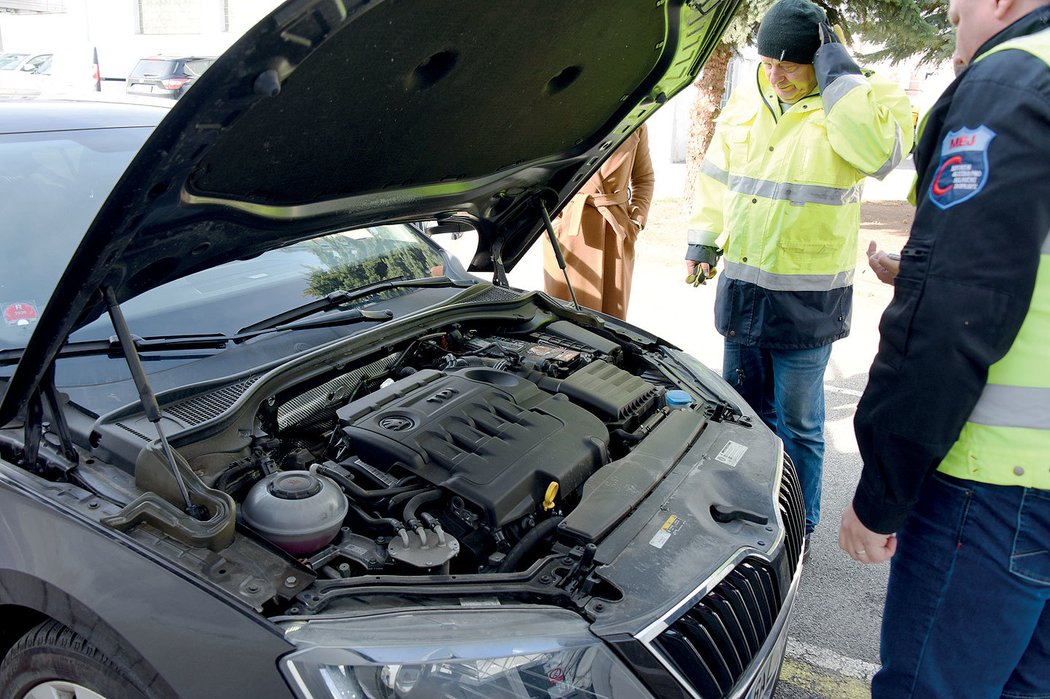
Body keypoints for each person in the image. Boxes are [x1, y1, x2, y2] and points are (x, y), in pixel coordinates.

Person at [838, 0, 1050, 695]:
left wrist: (881, 493)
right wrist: (934, 262)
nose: (954, 15)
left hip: (992, 489)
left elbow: (949, 318)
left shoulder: (1010, 80)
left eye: (958, 6)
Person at [684, 0, 913, 546]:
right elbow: (718, 178)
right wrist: (703, 240)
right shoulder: (749, 97)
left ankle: (798, 528)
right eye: (767, 62)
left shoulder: (866, 95)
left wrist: (839, 79)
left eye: (789, 63)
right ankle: (747, 518)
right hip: (744, 289)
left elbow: (878, 153)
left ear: (824, 56)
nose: (775, 74)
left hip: (808, 302)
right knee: (744, 415)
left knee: (800, 426)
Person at [542, 124, 654, 321]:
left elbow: (644, 178)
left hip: (616, 230)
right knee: (563, 322)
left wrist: (636, 220)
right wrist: (552, 218)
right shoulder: (562, 115)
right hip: (570, 228)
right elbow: (542, 173)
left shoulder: (636, 120)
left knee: (611, 325)